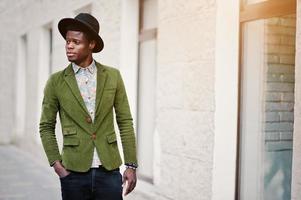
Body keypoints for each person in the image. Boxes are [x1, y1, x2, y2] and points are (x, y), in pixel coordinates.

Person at [39, 13, 138, 200]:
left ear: (91, 44)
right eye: (67, 41)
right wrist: (57, 165)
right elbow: (45, 126)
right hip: (73, 172)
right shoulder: (56, 82)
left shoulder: (113, 76)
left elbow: (125, 121)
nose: (69, 46)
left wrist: (131, 165)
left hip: (109, 171)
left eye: (76, 42)